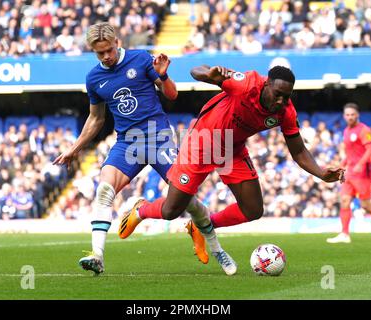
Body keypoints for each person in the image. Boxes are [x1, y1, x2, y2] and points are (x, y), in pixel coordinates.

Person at [118, 65, 345, 263]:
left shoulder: (285, 111)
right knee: (171, 211)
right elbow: (195, 71)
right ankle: (142, 210)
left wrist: (322, 173)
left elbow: (299, 151)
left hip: (232, 149)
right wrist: (210, 74)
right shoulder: (245, 84)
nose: (281, 101)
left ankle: (201, 225)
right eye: (278, 94)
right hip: (202, 143)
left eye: (287, 97)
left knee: (253, 209)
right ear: (266, 85)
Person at [53, 22, 230, 276]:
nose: (106, 57)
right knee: (104, 190)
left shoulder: (140, 59)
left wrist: (164, 75)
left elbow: (171, 95)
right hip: (127, 142)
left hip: (158, 137)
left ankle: (216, 248)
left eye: (109, 50)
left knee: (186, 199)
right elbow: (96, 118)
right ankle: (97, 256)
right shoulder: (94, 78)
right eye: (100, 53)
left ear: (117, 43)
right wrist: (75, 148)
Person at [327, 103, 371, 244]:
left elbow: (370, 149)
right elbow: (350, 153)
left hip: (362, 173)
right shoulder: (346, 131)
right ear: (344, 116)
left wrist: (360, 164)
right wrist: (341, 165)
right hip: (350, 172)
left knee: (366, 205)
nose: (350, 117)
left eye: (352, 114)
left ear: (357, 115)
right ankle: (345, 234)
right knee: (345, 201)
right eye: (347, 114)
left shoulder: (364, 130)